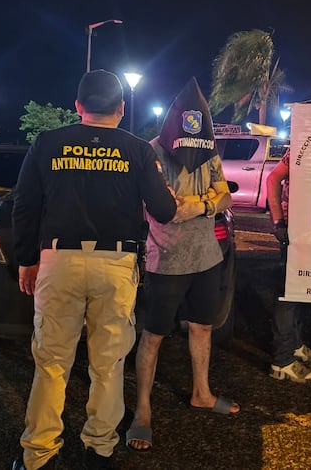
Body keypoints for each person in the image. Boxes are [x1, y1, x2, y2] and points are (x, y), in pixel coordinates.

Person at [10, 70, 178, 470]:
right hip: (115, 266)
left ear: (78, 107)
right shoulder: (138, 149)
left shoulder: (47, 143)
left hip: (58, 261)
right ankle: (99, 449)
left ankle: (39, 455)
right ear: (121, 109)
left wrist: (26, 259)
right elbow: (164, 211)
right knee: (108, 363)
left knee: (51, 363)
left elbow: (25, 206)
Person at [127, 78, 239, 453]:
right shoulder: (152, 152)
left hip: (206, 258)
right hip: (165, 262)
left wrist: (202, 203)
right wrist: (197, 202)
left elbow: (224, 197)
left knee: (203, 328)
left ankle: (201, 393)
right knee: (154, 336)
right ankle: (142, 411)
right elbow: (166, 210)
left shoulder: (208, 151)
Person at [266, 148, 311, 383]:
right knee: (288, 293)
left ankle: (295, 344)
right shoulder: (303, 145)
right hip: (297, 229)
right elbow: (273, 178)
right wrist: (278, 220)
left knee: (301, 290)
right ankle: (281, 362)